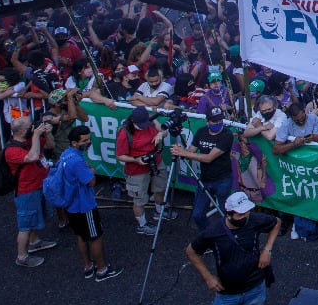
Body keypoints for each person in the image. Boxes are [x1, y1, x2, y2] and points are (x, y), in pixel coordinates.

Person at [186, 191, 280, 305]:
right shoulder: (213, 231)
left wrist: (268, 249)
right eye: (240, 213)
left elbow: (276, 223)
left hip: (255, 288)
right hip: (227, 294)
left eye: (247, 211)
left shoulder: (254, 220)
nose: (245, 216)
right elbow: (191, 251)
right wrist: (208, 277)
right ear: (228, 215)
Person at [56, 124, 122, 281]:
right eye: (85, 140)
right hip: (84, 205)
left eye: (89, 139)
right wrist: (91, 172)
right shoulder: (77, 162)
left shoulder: (66, 154)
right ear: (74, 143)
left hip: (71, 205)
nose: (88, 142)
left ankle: (87, 266)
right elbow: (91, 182)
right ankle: (101, 269)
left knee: (80, 236)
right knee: (95, 237)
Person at [2, 115, 57, 267]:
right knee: (25, 225)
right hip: (26, 191)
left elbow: (50, 146)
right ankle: (22, 256)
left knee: (34, 218)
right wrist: (37, 136)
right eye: (30, 127)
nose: (34, 128)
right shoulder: (11, 150)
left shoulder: (30, 140)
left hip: (39, 185)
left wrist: (47, 133)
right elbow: (32, 156)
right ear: (21, 131)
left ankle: (35, 242)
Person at [173, 106, 235, 231]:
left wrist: (184, 153)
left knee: (225, 212)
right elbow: (191, 150)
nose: (218, 124)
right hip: (205, 179)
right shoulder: (201, 132)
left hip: (223, 179)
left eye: (220, 121)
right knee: (198, 214)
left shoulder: (227, 135)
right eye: (214, 121)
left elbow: (208, 158)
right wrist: (180, 150)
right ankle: (208, 235)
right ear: (207, 122)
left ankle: (227, 236)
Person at [116, 106, 174, 236]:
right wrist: (136, 160)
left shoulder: (150, 120)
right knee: (139, 199)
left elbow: (164, 131)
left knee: (160, 187)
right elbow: (120, 155)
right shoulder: (125, 133)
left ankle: (159, 211)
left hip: (156, 160)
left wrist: (160, 133)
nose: (145, 126)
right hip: (136, 168)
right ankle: (142, 225)